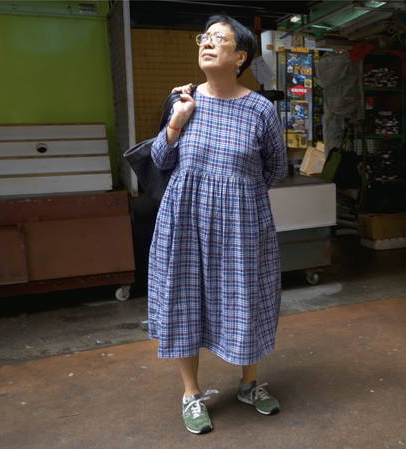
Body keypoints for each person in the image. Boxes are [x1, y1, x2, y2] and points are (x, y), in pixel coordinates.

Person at [147, 14, 287, 435]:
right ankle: (191, 393)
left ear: (240, 56)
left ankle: (249, 384)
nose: (207, 44)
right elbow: (159, 160)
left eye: (218, 39)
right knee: (184, 299)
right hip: (185, 219)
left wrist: (235, 192)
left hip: (243, 222)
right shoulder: (183, 100)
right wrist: (178, 119)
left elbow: (275, 169)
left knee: (248, 296)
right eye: (204, 38)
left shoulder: (260, 108)